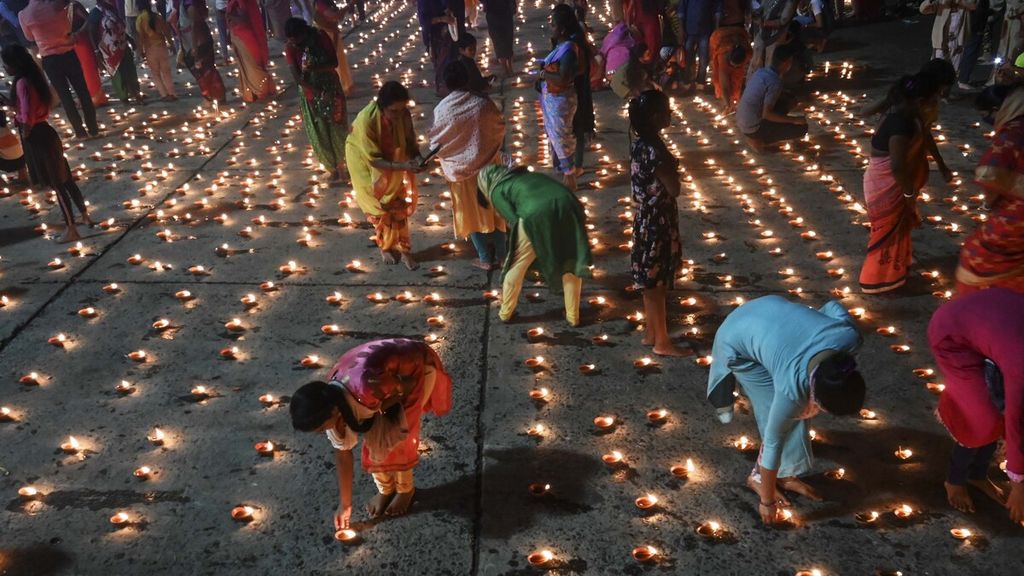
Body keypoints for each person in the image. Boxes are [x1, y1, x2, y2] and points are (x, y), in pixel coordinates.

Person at [707, 296, 864, 524]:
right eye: (822, 407)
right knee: (777, 410)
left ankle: (785, 473)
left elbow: (832, 306)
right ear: (816, 391)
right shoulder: (791, 388)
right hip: (737, 339)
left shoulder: (850, 337)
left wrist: (807, 329)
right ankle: (759, 479)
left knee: (797, 411)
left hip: (769, 311)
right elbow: (773, 441)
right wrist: (767, 502)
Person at [290, 339, 453, 526]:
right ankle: (386, 490)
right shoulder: (330, 400)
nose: (322, 433)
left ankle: (406, 490)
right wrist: (345, 505)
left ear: (334, 412)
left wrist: (383, 408)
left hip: (413, 368)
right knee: (377, 446)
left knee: (397, 441)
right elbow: (343, 454)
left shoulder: (367, 387)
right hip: (382, 382)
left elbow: (406, 386)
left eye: (321, 428)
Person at [928, 288, 1024, 523]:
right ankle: (955, 479)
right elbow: (1016, 418)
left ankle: (977, 474)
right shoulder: (1021, 363)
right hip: (952, 335)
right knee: (980, 420)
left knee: (997, 413)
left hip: (991, 326)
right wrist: (1019, 485)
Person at [476, 164, 592, 326]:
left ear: (484, 183)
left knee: (517, 264)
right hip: (569, 205)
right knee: (569, 261)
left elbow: (514, 220)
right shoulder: (525, 176)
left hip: (535, 216)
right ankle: (573, 316)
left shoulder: (496, 189)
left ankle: (505, 313)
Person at [858, 73, 942, 294]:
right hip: (886, 186)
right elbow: (896, 167)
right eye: (933, 99)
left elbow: (925, 139)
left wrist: (941, 166)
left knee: (898, 230)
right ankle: (876, 281)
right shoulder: (900, 125)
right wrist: (908, 193)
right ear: (919, 101)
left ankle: (895, 274)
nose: (935, 104)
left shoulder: (907, 116)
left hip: (893, 184)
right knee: (885, 233)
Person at [2, 44, 95, 242]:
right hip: (46, 131)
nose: (5, 69)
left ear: (14, 65)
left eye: (6, 64)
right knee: (65, 177)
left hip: (37, 136)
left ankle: (71, 229)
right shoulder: (34, 78)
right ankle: (84, 215)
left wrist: (26, 131)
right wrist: (10, 105)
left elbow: (27, 113)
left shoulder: (22, 83)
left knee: (57, 183)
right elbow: (28, 105)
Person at [429, 62, 507, 270]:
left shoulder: (443, 109)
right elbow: (499, 127)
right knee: (496, 209)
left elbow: (437, 142)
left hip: (460, 171)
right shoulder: (483, 103)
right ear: (467, 79)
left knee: (469, 210)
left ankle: (484, 258)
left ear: (445, 84)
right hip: (489, 166)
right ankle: (503, 256)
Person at [628, 91, 685, 356]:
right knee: (657, 282)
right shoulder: (655, 151)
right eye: (666, 110)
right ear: (654, 117)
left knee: (648, 279)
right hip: (657, 221)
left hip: (645, 218)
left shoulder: (641, 143)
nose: (670, 114)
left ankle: (651, 333)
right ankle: (663, 342)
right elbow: (673, 189)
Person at [346, 81, 424, 270]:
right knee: (379, 208)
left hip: (393, 160)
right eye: (393, 111)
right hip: (363, 162)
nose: (399, 115)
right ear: (382, 107)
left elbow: (409, 140)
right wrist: (403, 165)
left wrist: (419, 158)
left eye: (402, 109)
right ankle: (385, 246)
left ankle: (405, 250)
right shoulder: (367, 120)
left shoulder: (402, 113)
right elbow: (374, 160)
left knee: (398, 204)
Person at [956, 83, 1024, 294]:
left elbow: (990, 173)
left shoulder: (1012, 134)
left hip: (1019, 214)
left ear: (999, 110)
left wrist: (989, 203)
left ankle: (981, 310)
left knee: (978, 256)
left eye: (986, 114)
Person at [861, 58, 956, 183]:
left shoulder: (929, 103)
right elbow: (864, 112)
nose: (945, 92)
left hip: (912, 158)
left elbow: (925, 134)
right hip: (894, 162)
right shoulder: (906, 101)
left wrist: (941, 165)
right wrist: (889, 98)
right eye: (943, 88)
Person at [19, 0, 100, 139]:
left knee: (65, 96)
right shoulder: (56, 6)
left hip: (50, 59)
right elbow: (67, 25)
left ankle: (79, 131)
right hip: (68, 53)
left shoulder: (24, 14)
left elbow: (29, 37)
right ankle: (93, 128)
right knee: (83, 91)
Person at [285, 18, 348, 183]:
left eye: (297, 39)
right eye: (291, 40)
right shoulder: (290, 47)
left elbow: (334, 62)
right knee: (319, 130)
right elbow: (298, 78)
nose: (294, 43)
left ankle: (343, 167)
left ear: (304, 33)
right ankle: (332, 169)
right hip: (310, 93)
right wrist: (317, 92)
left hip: (330, 87)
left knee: (337, 126)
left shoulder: (320, 37)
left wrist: (315, 68)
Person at [537, 4, 582, 190]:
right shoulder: (561, 46)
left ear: (562, 29)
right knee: (558, 134)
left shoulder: (569, 50)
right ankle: (565, 169)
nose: (551, 28)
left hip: (561, 100)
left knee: (561, 135)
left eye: (553, 25)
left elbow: (564, 77)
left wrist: (542, 75)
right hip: (554, 98)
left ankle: (569, 174)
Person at [736, 45, 807, 149]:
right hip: (752, 127)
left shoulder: (762, 71)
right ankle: (760, 141)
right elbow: (767, 114)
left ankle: (759, 135)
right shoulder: (774, 82)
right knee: (802, 128)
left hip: (742, 121)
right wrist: (794, 120)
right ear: (787, 63)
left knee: (789, 100)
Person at [169, 0, 227, 103]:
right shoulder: (184, 3)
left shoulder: (189, 3)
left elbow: (194, 23)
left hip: (199, 42)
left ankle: (218, 97)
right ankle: (213, 96)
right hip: (194, 41)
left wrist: (194, 46)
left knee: (207, 71)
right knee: (203, 72)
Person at [89, 0, 144, 104]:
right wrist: (96, 51)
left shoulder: (112, 9)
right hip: (109, 50)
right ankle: (124, 97)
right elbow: (91, 32)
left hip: (122, 45)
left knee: (130, 70)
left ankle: (136, 93)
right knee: (118, 73)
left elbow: (120, 27)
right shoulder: (95, 13)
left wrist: (129, 39)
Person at [225, 0, 275, 102]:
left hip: (246, 36)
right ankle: (253, 93)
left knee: (253, 65)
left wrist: (230, 17)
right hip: (239, 35)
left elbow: (244, 19)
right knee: (248, 66)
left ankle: (261, 91)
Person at [418, 0, 465, 96]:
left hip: (454, 32)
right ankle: (443, 87)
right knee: (442, 62)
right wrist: (442, 19)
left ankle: (455, 86)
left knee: (455, 59)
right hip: (437, 37)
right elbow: (424, 19)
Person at [920, 0, 976, 78]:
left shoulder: (963, 3)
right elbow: (924, 10)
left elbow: (973, 6)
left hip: (957, 43)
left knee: (953, 72)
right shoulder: (942, 2)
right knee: (936, 70)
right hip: (942, 42)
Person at [71, 0, 110, 108]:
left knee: (88, 69)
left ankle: (97, 97)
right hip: (71, 43)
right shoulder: (59, 7)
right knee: (80, 71)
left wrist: (80, 32)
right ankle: (86, 97)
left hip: (82, 41)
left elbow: (88, 19)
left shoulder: (74, 5)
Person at [136, 0, 177, 101]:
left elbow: (141, 37)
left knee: (156, 73)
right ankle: (172, 93)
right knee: (166, 72)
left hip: (150, 49)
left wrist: (141, 51)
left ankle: (164, 95)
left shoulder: (140, 19)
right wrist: (171, 44)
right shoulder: (157, 16)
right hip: (162, 47)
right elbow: (166, 32)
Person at [313, 0, 355, 95]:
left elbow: (338, 17)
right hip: (325, 35)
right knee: (332, 61)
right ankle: (335, 87)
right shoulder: (321, 3)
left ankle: (341, 85)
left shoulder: (328, 2)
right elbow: (335, 16)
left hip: (332, 33)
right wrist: (350, 5)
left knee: (338, 60)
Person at [748, 0, 796, 76]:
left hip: (777, 35)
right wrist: (755, 14)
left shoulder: (790, 2)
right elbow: (761, 8)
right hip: (762, 33)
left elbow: (783, 20)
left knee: (770, 64)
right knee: (756, 61)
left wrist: (764, 23)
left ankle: (767, 84)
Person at [679, 0, 715, 90]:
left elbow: (716, 8)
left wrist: (716, 28)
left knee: (703, 58)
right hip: (690, 29)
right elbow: (682, 9)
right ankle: (687, 80)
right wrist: (681, 28)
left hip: (705, 30)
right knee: (688, 57)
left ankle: (700, 81)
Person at [482, 0, 514, 76]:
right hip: (495, 13)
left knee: (505, 41)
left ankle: (508, 67)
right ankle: (506, 68)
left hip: (503, 12)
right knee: (501, 41)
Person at [0, 110, 29, 184]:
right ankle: (23, 176)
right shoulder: (4, 127)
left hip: (8, 163)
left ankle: (1, 183)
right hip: (21, 159)